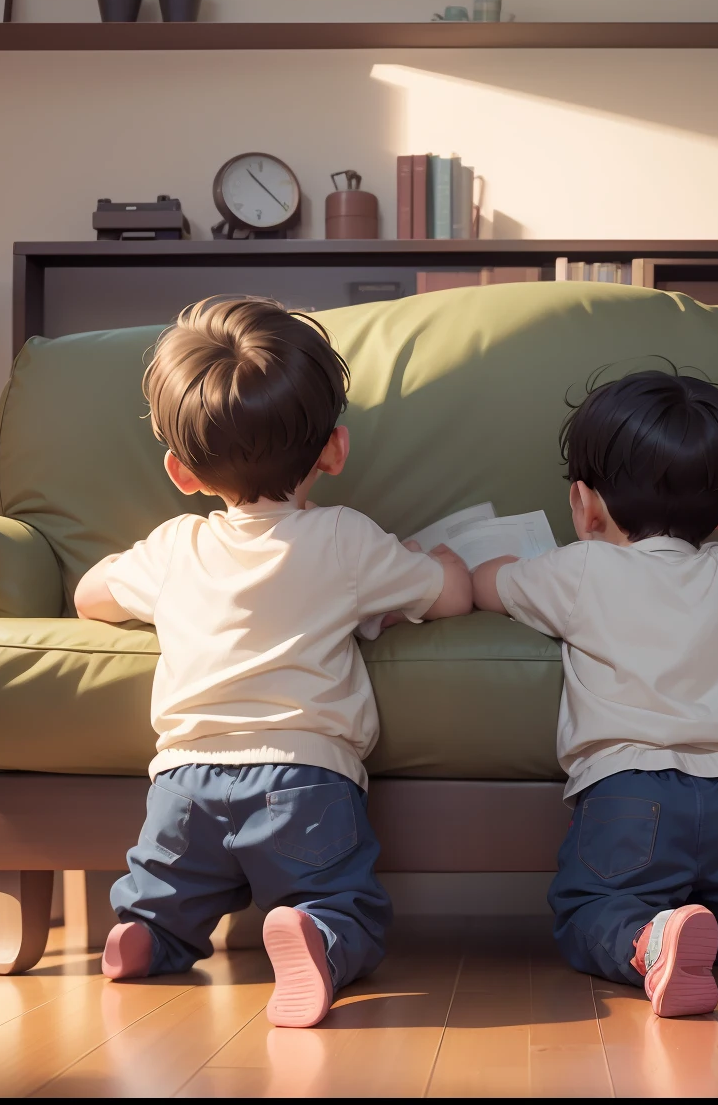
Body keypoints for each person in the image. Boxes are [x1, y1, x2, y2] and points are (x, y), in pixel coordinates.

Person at [74, 296, 473, 1027]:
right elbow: (448, 598)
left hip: (183, 785)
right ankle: (314, 934)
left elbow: (88, 596)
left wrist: (134, 583)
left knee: (166, 894)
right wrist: (435, 561)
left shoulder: (173, 548)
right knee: (342, 902)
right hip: (305, 779)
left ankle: (142, 934)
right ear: (334, 450)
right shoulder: (348, 540)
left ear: (182, 473)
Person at [470, 370, 718, 1017]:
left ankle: (650, 939)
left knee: (594, 910)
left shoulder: (580, 570)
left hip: (627, 794)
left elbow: (487, 583)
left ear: (584, 503)